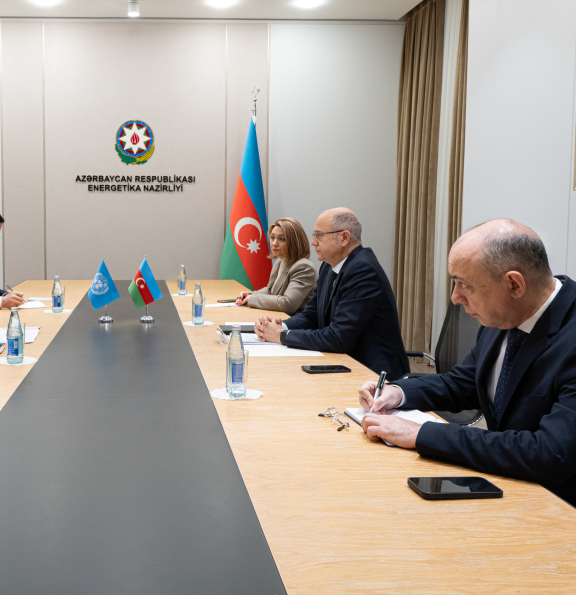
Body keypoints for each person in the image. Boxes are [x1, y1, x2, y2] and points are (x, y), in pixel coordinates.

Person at [359, 219, 576, 504]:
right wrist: (398, 393)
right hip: (510, 483)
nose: (455, 297)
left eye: (464, 284)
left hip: (559, 505)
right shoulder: (505, 314)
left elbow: (550, 454)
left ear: (514, 284)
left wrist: (421, 434)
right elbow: (463, 383)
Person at [255, 208, 410, 378]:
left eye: (319, 235)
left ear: (344, 237)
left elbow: (339, 337)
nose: (313, 242)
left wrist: (282, 335)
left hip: (374, 374)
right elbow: (311, 315)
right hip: (343, 362)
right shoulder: (328, 266)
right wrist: (279, 325)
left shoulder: (364, 271)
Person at [236, 217, 317, 315]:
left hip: (294, 321)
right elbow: (271, 291)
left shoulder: (304, 267)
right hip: (278, 317)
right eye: (272, 237)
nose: (274, 243)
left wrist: (253, 299)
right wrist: (250, 295)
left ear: (295, 242)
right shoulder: (279, 262)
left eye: (281, 239)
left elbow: (288, 304)